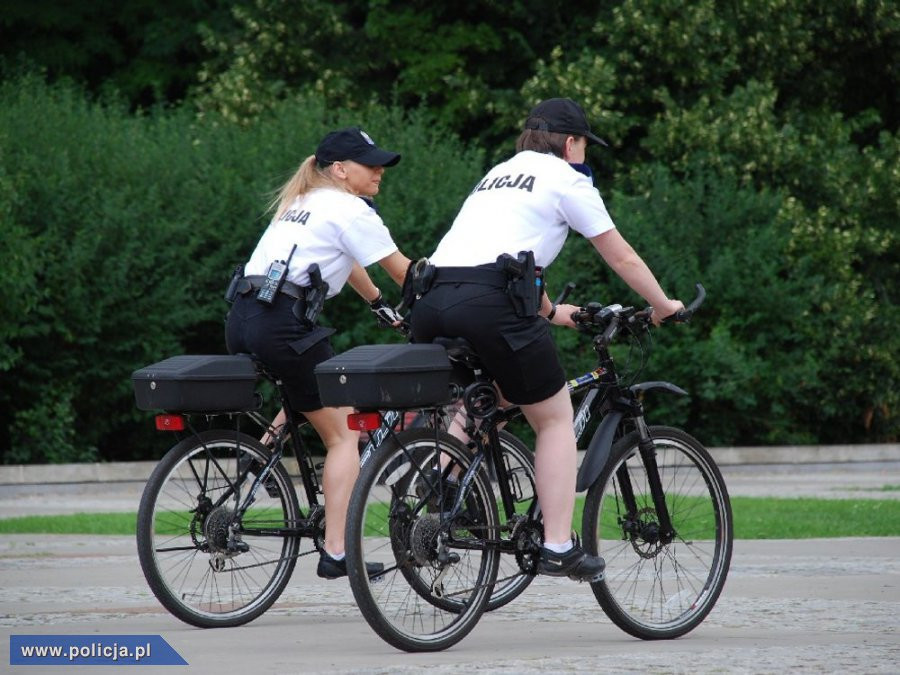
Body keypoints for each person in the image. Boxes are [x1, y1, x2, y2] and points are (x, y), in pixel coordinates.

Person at [409, 98, 684, 582]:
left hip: (433, 299)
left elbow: (500, 254)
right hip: (491, 304)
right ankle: (558, 545)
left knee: (490, 398)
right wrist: (663, 305)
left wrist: (554, 313)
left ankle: (441, 481)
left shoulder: (497, 173)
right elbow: (620, 257)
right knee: (555, 416)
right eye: (582, 145)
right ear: (571, 143)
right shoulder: (568, 179)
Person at [225, 126, 410, 579]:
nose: (380, 172)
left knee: (309, 390)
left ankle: (258, 458)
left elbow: (346, 263)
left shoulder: (300, 204)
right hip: (285, 324)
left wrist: (377, 305)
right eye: (371, 164)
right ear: (342, 170)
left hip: (243, 317)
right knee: (343, 433)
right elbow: (405, 272)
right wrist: (442, 303)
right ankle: (337, 551)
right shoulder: (351, 209)